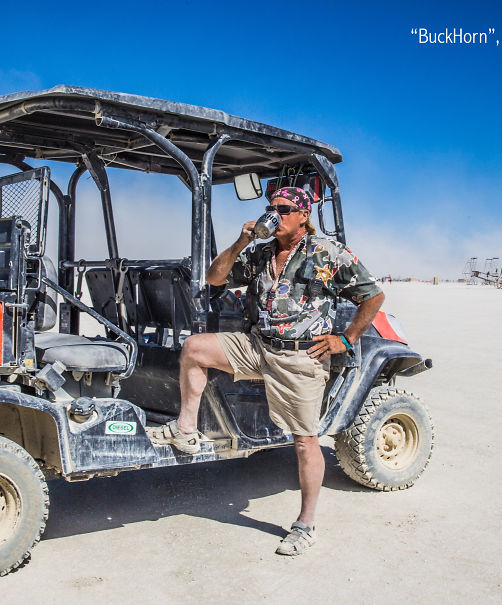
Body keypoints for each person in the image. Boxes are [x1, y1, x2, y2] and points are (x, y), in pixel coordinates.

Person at [147, 186, 385, 556]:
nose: (275, 215)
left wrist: (347, 338)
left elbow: (373, 296)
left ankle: (305, 525)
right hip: (259, 346)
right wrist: (240, 242)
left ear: (304, 215)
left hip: (300, 358)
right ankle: (187, 430)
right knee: (195, 348)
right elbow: (214, 277)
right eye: (271, 208)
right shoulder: (261, 253)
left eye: (284, 209)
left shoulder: (329, 253)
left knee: (305, 441)